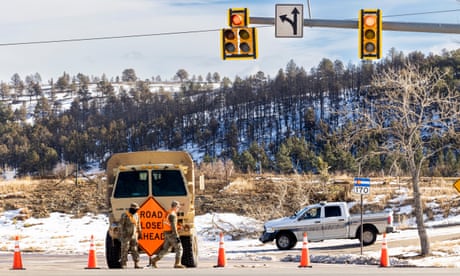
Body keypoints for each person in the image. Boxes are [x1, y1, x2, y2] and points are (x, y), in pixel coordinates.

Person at [150, 200, 185, 269]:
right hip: (172, 234)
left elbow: (167, 224)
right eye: (178, 207)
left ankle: (154, 260)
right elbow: (173, 226)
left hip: (166, 233)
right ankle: (177, 263)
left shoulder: (168, 213)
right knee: (179, 248)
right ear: (175, 207)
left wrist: (178, 227)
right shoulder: (173, 215)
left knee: (166, 249)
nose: (178, 209)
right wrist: (176, 235)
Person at [119, 202, 142, 269]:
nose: (137, 210)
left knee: (135, 250)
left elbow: (138, 225)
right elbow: (121, 226)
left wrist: (140, 233)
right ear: (132, 209)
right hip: (126, 236)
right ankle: (124, 263)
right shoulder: (125, 215)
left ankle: (136, 263)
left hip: (134, 236)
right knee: (124, 249)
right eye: (136, 209)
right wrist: (122, 234)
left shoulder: (136, 215)